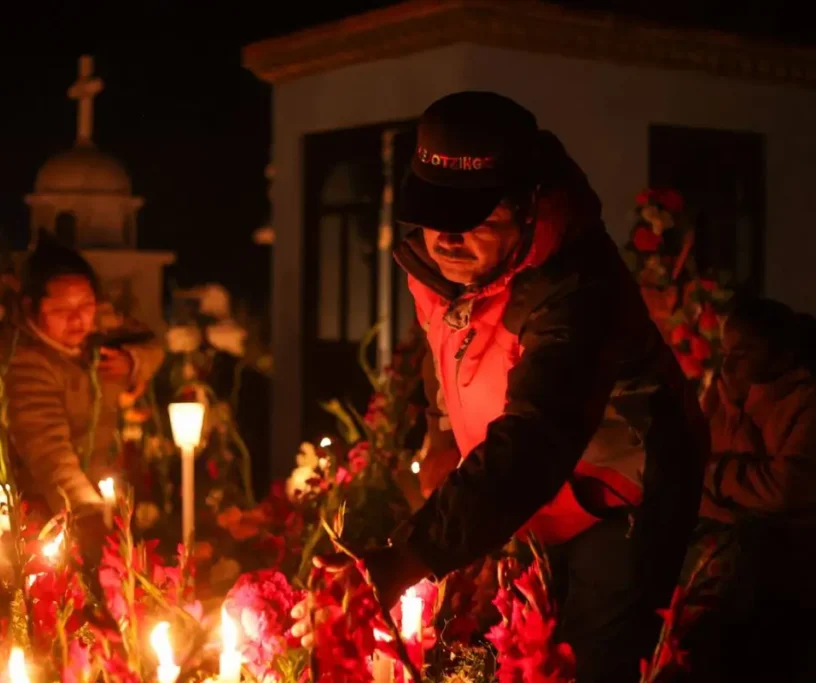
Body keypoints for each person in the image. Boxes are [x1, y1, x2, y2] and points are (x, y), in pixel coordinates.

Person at [296, 92, 708, 682]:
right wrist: (445, 442)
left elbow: (537, 436)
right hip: (526, 489)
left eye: (478, 219)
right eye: (434, 214)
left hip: (621, 491)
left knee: (590, 659)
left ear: (530, 206)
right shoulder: (449, 267)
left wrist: (410, 556)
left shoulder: (574, 290)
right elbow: (449, 359)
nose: (448, 238)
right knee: (513, 646)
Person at [0, 236, 163, 560]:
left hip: (102, 495)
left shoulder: (97, 329)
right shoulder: (24, 361)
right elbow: (49, 451)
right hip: (45, 514)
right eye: (60, 309)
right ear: (30, 307)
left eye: (86, 305)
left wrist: (133, 360)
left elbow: (153, 343)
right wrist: (88, 514)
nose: (77, 319)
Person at [685, 297, 816, 681]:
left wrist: (718, 475)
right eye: (726, 353)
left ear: (781, 354)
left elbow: (783, 489)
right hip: (712, 535)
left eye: (743, 354)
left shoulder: (804, 404)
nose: (728, 365)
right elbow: (691, 462)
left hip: (778, 554)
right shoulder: (721, 393)